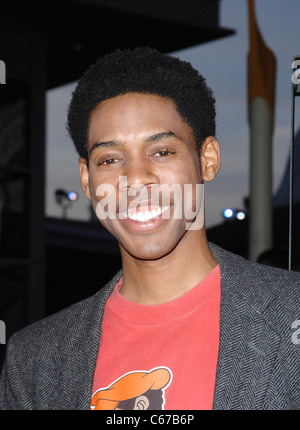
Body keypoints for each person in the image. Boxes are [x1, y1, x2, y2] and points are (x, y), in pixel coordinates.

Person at [0, 47, 299, 410]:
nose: (136, 179)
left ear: (207, 160)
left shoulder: (290, 315)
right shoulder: (33, 361)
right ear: (87, 179)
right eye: (110, 159)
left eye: (162, 152)